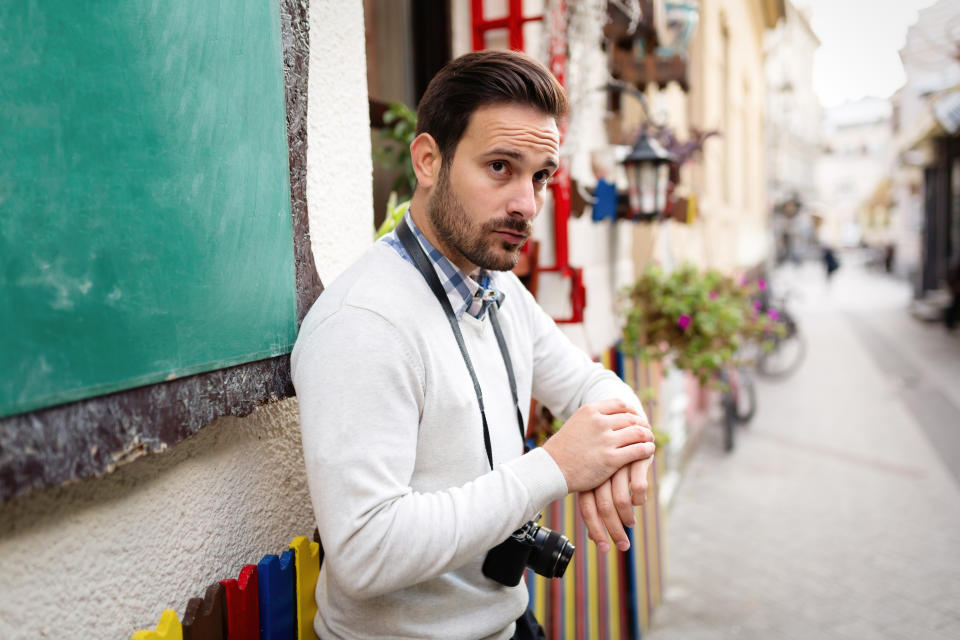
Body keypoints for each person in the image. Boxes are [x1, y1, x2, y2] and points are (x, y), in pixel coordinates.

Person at [291, 50, 655, 640]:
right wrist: (557, 466)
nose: (526, 203)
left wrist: (625, 447)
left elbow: (588, 383)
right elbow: (364, 551)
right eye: (500, 167)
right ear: (429, 160)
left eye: (540, 176)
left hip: (510, 624)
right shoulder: (364, 322)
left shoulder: (498, 286)